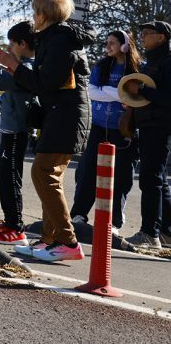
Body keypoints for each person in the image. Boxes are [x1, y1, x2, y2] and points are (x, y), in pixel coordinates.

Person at [0, 0, 93, 263]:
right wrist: (12, 67)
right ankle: (50, 239)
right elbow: (45, 81)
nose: (33, 17)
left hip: (66, 116)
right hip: (60, 115)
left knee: (43, 172)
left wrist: (14, 67)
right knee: (50, 175)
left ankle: (67, 241)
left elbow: (45, 82)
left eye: (36, 12)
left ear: (45, 14)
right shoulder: (56, 38)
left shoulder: (59, 40)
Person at [70, 30, 141, 237]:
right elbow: (91, 92)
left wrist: (107, 93)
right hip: (98, 127)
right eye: (107, 42)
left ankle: (115, 221)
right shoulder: (101, 66)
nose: (108, 46)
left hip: (123, 129)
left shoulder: (135, 69)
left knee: (121, 175)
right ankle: (79, 214)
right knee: (87, 170)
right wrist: (119, 94)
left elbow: (137, 97)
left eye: (113, 43)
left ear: (125, 45)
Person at [0, 21, 36, 244]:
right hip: (12, 128)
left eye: (11, 43)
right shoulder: (22, 66)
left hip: (17, 130)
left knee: (9, 177)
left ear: (22, 43)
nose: (9, 48)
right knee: (4, 176)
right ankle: (11, 222)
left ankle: (16, 227)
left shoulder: (27, 68)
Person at [122, 20, 171, 251]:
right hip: (150, 124)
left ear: (161, 37)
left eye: (147, 33)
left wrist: (140, 90)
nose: (143, 38)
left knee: (151, 180)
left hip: (160, 126)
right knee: (157, 181)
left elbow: (166, 97)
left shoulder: (168, 62)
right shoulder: (152, 61)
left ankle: (150, 234)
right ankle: (166, 232)